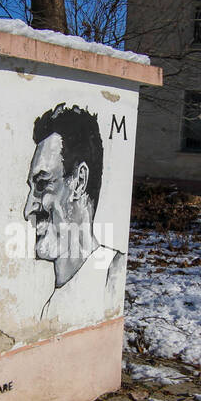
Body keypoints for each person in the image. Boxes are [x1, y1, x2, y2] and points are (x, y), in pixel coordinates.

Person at [23, 104, 125, 325]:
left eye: (42, 184)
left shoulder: (111, 277)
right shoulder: (53, 303)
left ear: (79, 181)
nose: (27, 209)